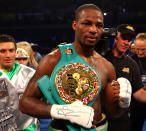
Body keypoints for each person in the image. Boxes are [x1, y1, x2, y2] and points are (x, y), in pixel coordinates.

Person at [19, 4, 132, 131]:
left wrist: (124, 103)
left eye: (99, 25)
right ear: (74, 25)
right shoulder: (53, 60)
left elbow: (114, 112)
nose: (93, 30)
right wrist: (64, 112)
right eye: (87, 23)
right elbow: (25, 103)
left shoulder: (106, 67)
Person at [103, 24, 146, 131]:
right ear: (116, 37)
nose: (126, 42)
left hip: (123, 120)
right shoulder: (101, 58)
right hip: (102, 118)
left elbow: (139, 93)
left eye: (129, 40)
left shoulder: (132, 64)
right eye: (124, 38)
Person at [0, 34, 38, 131]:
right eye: (2, 51)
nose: (8, 55)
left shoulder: (30, 74)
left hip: (26, 127)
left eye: (11, 51)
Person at [130, 33, 146, 131]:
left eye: (143, 49)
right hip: (136, 105)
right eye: (137, 49)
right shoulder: (130, 61)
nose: (139, 52)